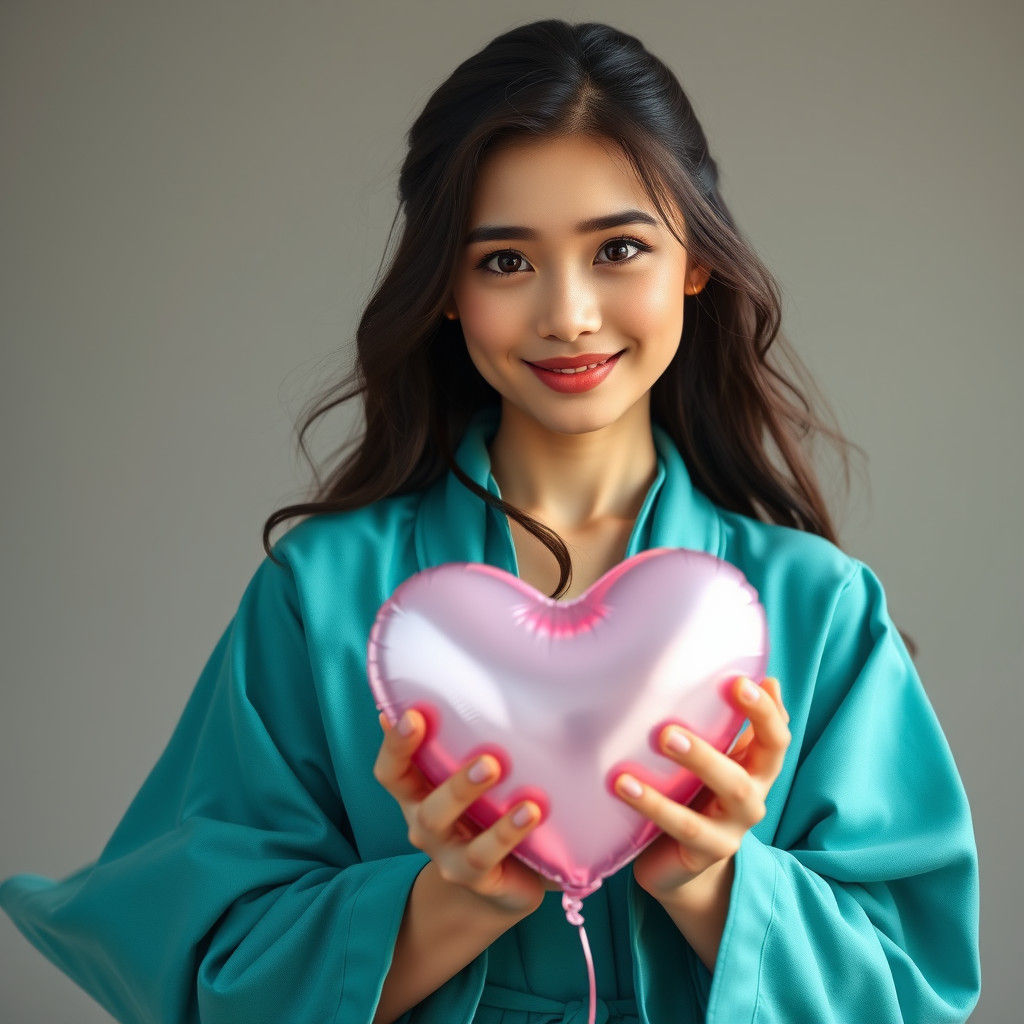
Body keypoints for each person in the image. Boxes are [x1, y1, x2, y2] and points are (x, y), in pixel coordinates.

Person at [0, 17, 981, 1024]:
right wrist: (454, 902)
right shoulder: (320, 596)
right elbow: (201, 964)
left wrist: (711, 881)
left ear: (695, 260)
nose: (569, 314)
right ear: (445, 289)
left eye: (619, 249)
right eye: (506, 262)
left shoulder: (818, 607)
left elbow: (914, 989)